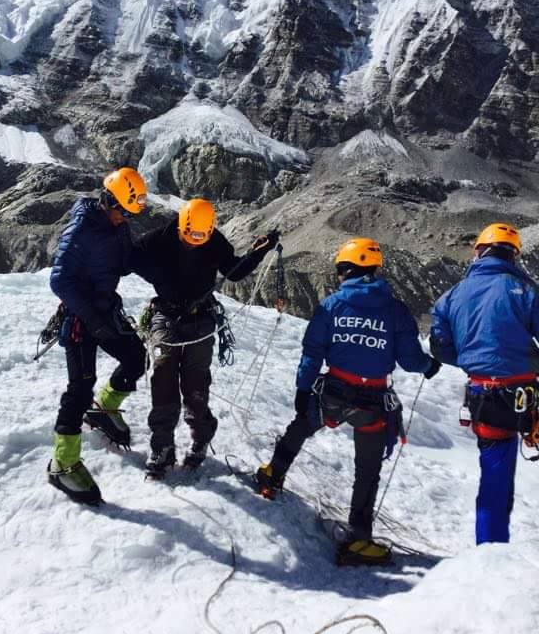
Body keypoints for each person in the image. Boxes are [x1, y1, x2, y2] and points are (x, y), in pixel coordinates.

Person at [256, 238, 440, 565]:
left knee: (300, 428)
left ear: (346, 269)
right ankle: (358, 539)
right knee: (367, 470)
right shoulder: (395, 310)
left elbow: (313, 351)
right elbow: (411, 360)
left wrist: (302, 389)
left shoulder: (332, 306)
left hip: (333, 392)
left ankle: (272, 475)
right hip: (373, 402)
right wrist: (430, 366)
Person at [130, 198, 279, 476]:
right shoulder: (161, 237)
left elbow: (234, 271)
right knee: (162, 375)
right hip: (165, 315)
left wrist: (259, 251)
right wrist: (160, 279)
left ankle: (201, 435)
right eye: (191, 235)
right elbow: (131, 256)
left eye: (202, 236)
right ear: (182, 225)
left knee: (195, 383)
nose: (196, 240)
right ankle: (162, 446)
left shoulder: (216, 241)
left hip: (201, 318)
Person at [430, 222, 539, 545]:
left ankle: (489, 552)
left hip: (484, 396)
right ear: (513, 256)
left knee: (494, 478)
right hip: (526, 393)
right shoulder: (527, 291)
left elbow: (440, 347)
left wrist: (472, 360)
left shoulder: (451, 297)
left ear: (479, 251)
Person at [47, 167, 149, 505]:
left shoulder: (115, 223)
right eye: (123, 212)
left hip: (103, 309)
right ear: (109, 201)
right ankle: (62, 464)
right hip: (81, 318)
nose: (125, 219)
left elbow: (122, 260)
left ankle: (104, 408)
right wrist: (92, 319)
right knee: (79, 387)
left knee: (136, 358)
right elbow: (59, 281)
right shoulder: (81, 231)